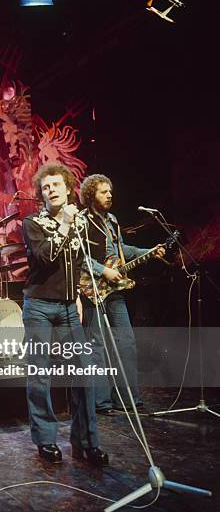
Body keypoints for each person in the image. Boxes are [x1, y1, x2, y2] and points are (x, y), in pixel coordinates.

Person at [21, 163, 108, 466]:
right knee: (40, 375)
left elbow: (83, 262)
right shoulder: (33, 223)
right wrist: (65, 225)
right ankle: (46, 440)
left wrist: (80, 294)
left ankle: (86, 441)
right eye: (46, 187)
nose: (51, 190)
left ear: (69, 188)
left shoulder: (80, 222)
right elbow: (46, 257)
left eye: (56, 185)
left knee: (85, 374)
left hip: (70, 307)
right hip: (39, 307)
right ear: (41, 194)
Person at [79, 174, 165, 414]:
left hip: (114, 290)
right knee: (97, 346)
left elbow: (121, 250)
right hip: (93, 289)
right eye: (103, 192)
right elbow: (79, 257)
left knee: (126, 342)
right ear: (90, 196)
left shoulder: (112, 220)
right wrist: (102, 271)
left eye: (110, 192)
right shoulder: (82, 221)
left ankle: (128, 399)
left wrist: (147, 252)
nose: (109, 196)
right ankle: (101, 402)